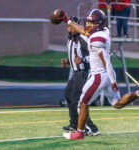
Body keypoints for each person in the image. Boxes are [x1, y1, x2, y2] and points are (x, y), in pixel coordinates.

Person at [56, 8, 139, 140]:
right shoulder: (103, 31)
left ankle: (79, 133)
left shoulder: (96, 39)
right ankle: (137, 93)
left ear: (98, 24)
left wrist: (113, 81)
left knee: (82, 103)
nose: (88, 25)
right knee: (117, 104)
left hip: (99, 76)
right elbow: (83, 30)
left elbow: (106, 61)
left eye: (91, 22)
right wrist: (66, 20)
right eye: (88, 22)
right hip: (105, 74)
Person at [61, 16, 100, 136]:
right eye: (68, 27)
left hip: (84, 73)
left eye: (72, 27)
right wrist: (69, 61)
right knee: (68, 95)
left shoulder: (83, 39)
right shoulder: (70, 39)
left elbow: (95, 56)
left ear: (77, 28)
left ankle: (91, 128)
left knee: (76, 100)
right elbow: (75, 55)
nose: (69, 29)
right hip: (76, 72)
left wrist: (83, 60)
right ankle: (74, 124)